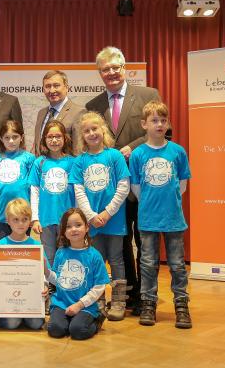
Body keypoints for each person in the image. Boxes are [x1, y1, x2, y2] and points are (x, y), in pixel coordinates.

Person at [85, 46, 161, 313]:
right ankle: (130, 295)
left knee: (144, 241)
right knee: (121, 241)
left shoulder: (148, 95)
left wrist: (133, 146)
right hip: (111, 191)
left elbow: (163, 131)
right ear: (100, 73)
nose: (111, 73)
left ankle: (148, 297)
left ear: (124, 67)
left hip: (142, 185)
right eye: (105, 69)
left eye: (115, 67)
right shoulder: (92, 106)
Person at [129, 101, 192, 329]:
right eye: (154, 120)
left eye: (163, 120)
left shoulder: (178, 151)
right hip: (147, 219)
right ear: (144, 124)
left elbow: (182, 184)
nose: (159, 124)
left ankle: (181, 304)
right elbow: (136, 187)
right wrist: (150, 202)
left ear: (168, 124)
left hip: (173, 219)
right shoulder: (138, 154)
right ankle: (148, 303)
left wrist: (168, 201)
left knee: (176, 264)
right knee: (148, 263)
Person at [70, 111, 130, 321]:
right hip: (92, 222)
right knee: (96, 260)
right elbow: (79, 191)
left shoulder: (114, 156)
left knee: (116, 259)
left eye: (95, 129)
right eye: (86, 131)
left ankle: (119, 301)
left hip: (114, 220)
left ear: (103, 130)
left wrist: (107, 212)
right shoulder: (80, 161)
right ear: (82, 136)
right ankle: (98, 300)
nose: (91, 133)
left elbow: (123, 186)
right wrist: (92, 216)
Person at [46, 208, 109, 340]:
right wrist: (46, 272)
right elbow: (59, 280)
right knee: (55, 330)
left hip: (85, 306)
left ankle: (96, 320)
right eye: (68, 226)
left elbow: (99, 288)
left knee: (78, 331)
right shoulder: (61, 253)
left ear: (87, 227)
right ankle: (69, 321)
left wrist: (79, 305)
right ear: (64, 231)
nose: (74, 229)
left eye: (78, 225)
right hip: (62, 303)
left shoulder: (94, 256)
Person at [0, 198, 47, 330]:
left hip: (30, 299)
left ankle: (24, 315)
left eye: (24, 219)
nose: (20, 223)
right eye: (15, 219)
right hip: (8, 300)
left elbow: (43, 273)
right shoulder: (1, 245)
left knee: (36, 324)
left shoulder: (36, 245)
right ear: (8, 221)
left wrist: (44, 287)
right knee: (12, 324)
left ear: (30, 221)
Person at [30, 120, 76, 267]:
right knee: (48, 256)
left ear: (65, 138)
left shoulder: (73, 162)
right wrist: (35, 218)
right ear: (44, 139)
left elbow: (77, 191)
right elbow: (35, 191)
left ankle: (64, 286)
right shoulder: (40, 162)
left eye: (58, 136)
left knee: (66, 253)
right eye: (50, 137)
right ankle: (50, 286)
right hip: (46, 218)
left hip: (67, 219)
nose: (54, 140)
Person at [0, 120, 35, 243]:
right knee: (2, 255)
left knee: (21, 253)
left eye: (15, 137)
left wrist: (35, 215)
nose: (11, 141)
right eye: (7, 137)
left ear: (21, 137)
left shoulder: (29, 158)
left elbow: (34, 189)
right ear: (1, 139)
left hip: (23, 216)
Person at [32, 70, 85, 155]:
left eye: (56, 85)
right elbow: (37, 146)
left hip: (67, 167)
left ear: (67, 87)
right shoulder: (41, 113)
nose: (52, 90)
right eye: (48, 86)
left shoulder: (78, 112)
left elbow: (79, 150)